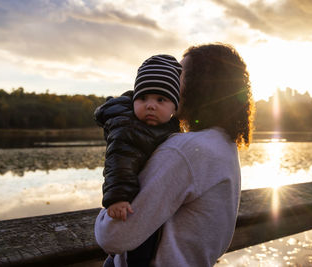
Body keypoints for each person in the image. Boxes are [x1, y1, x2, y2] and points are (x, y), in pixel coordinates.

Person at [95, 43, 255, 267]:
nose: (170, 80)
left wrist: (106, 213)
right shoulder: (224, 144)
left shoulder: (185, 150)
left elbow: (113, 237)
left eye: (178, 74)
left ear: (200, 85)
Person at [94, 54, 182, 266]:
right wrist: (118, 198)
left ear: (174, 107)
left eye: (161, 100)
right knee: (136, 252)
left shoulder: (168, 128)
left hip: (147, 201)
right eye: (143, 99)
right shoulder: (128, 128)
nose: (150, 106)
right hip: (129, 202)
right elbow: (118, 162)